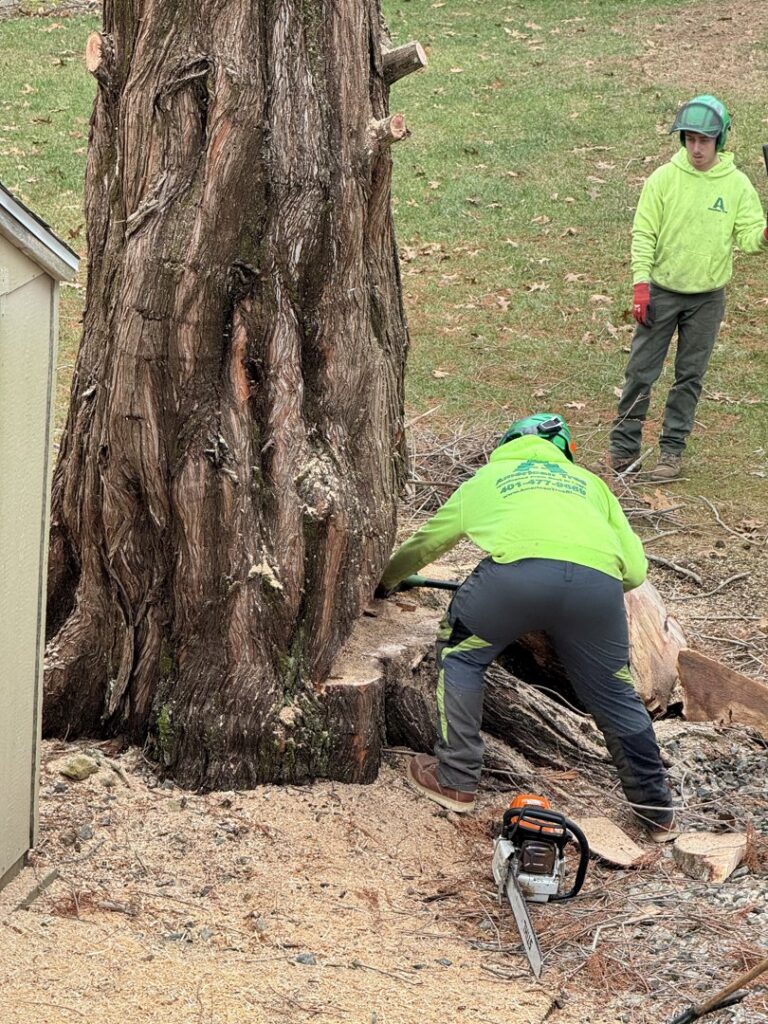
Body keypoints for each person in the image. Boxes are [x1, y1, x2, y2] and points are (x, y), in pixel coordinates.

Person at [378, 413, 676, 840]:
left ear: (508, 442)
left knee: (460, 655)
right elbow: (634, 571)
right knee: (614, 692)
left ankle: (456, 777)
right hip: (597, 589)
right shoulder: (591, 485)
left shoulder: (490, 477)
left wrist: (387, 580)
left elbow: (429, 542)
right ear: (566, 451)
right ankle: (656, 810)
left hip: (513, 582)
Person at [609, 95, 768, 481]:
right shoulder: (664, 179)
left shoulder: (737, 185)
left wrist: (764, 236)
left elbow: (749, 236)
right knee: (640, 373)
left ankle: (671, 454)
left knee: (689, 377)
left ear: (721, 140)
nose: (697, 148)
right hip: (661, 293)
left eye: (705, 140)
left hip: (708, 299)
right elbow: (644, 233)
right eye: (690, 139)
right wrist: (641, 286)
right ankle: (623, 451)